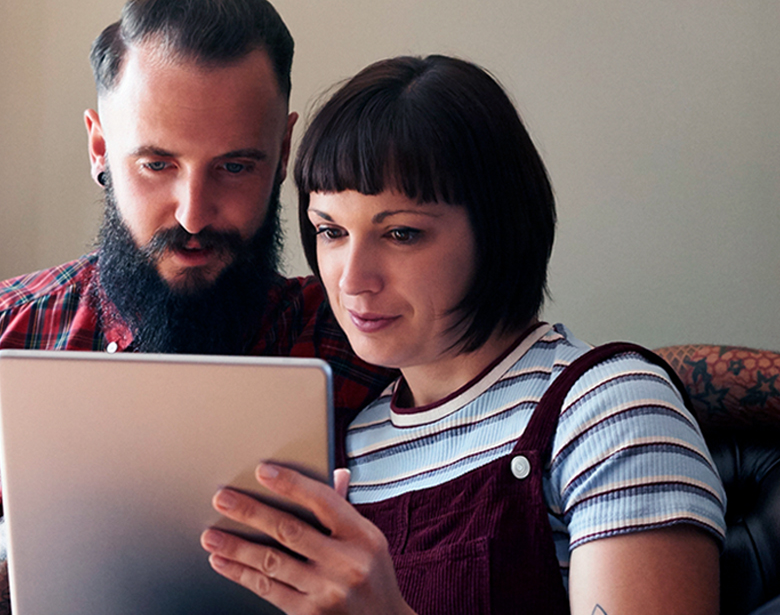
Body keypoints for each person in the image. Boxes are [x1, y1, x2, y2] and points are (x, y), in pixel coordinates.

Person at [0, 0, 399, 615]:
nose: (192, 213)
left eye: (235, 166)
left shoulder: (368, 339)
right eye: (157, 164)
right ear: (99, 147)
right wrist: (50, 534)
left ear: (284, 150)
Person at [201, 55, 725, 615]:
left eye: (401, 233)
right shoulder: (345, 447)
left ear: (498, 229)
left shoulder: (611, 410)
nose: (353, 279)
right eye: (331, 231)